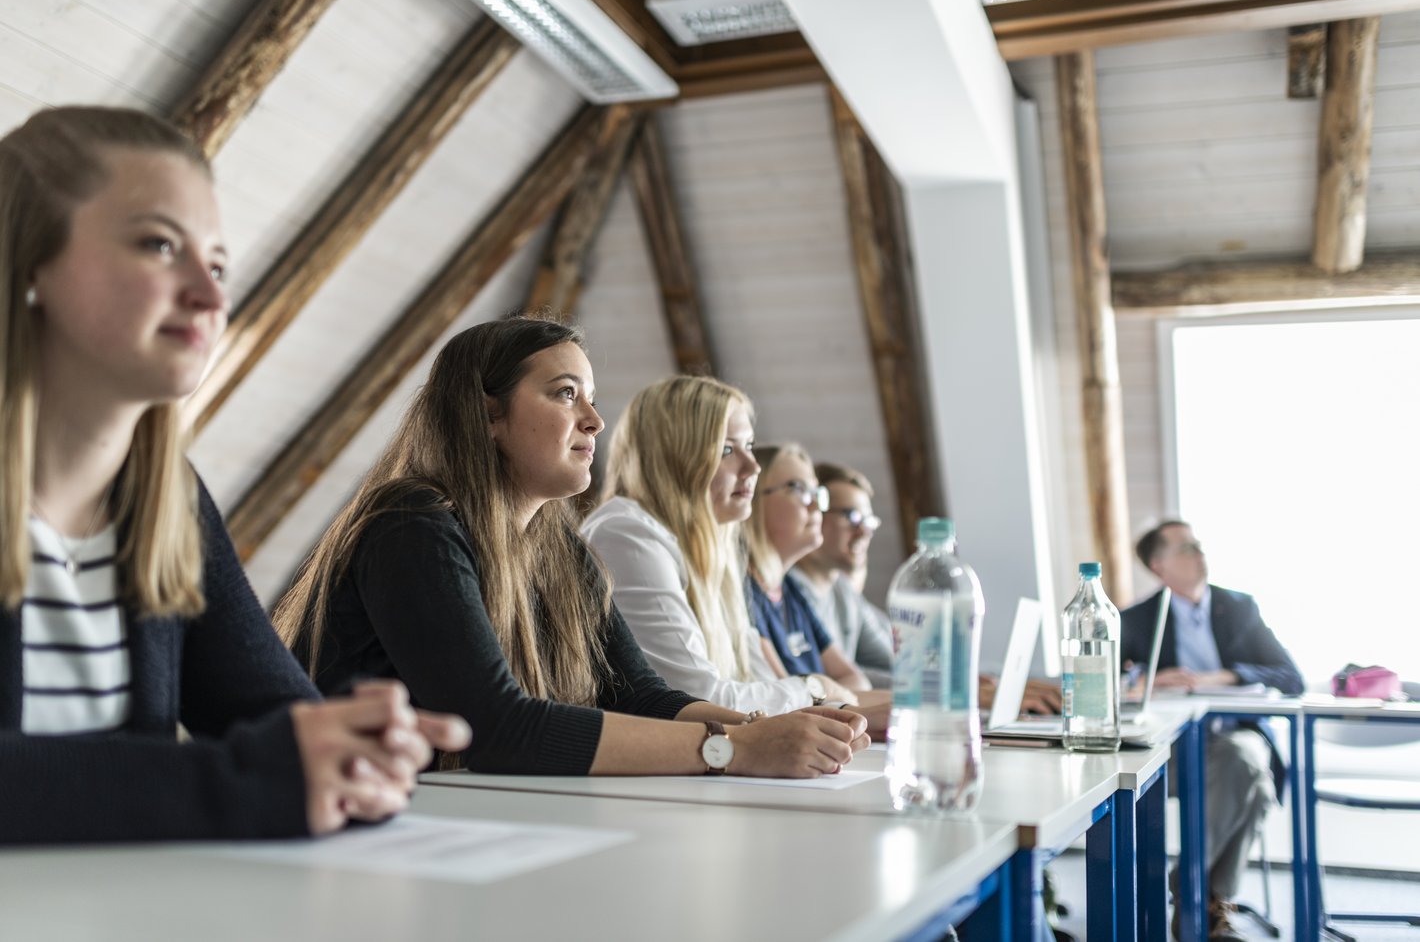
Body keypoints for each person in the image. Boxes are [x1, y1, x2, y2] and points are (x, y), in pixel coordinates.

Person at [0, 106, 468, 845]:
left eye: (217, 265)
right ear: (30, 261)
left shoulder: (168, 498)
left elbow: (275, 714)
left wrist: (354, 748)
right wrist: (242, 783)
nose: (211, 297)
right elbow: (253, 772)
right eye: (159, 245)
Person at [275, 318, 868, 778]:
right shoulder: (412, 524)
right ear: (487, 415)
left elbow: (640, 696)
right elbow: (496, 728)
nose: (594, 421)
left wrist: (777, 729)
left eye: (591, 398)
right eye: (565, 394)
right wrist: (733, 748)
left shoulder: (560, 550)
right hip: (338, 832)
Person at [582, 376, 865, 716]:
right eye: (727, 450)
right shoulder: (627, 534)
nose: (753, 467)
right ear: (676, 457)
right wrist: (814, 689)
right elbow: (697, 699)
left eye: (749, 446)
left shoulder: (714, 549)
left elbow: (756, 680)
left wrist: (834, 706)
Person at [1123, 520, 1304, 941]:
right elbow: (1108, 683)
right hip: (1170, 749)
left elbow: (1289, 676)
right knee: (1257, 784)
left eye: (1198, 544)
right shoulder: (1137, 619)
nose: (1199, 553)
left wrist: (1226, 676)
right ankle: (1208, 903)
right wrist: (1148, 680)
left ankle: (1192, 890)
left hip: (1234, 737)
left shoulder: (1239, 608)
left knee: (1244, 761)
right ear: (1158, 565)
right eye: (1186, 548)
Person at [789, 463, 1062, 715]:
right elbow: (835, 684)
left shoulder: (842, 592)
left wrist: (983, 683)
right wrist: (958, 691)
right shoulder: (790, 595)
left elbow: (904, 658)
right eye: (852, 516)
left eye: (869, 521)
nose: (865, 531)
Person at [743, 446, 892, 721]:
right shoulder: (745, 592)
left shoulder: (790, 591)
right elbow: (789, 702)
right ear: (752, 499)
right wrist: (828, 692)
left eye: (816, 493)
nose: (815, 506)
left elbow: (854, 679)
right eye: (797, 489)